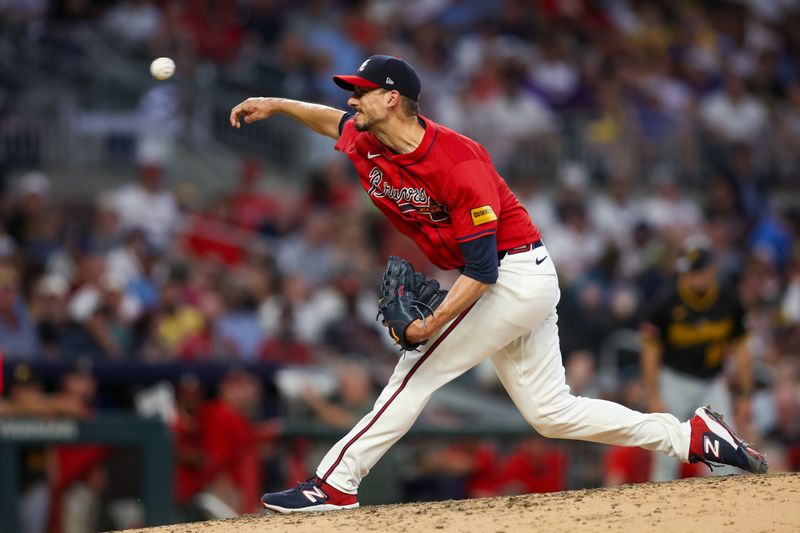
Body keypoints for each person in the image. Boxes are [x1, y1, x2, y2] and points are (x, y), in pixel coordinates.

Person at [229, 55, 767, 513]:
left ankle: (334, 486)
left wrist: (430, 323)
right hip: (508, 278)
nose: (352, 102)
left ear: (393, 99)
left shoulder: (459, 163)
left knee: (416, 368)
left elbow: (484, 272)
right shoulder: (367, 139)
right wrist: (277, 106)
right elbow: (330, 123)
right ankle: (691, 436)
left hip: (513, 275)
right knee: (551, 413)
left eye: (361, 94)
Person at [640, 235, 755, 480]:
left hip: (712, 383)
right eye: (688, 272)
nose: (689, 277)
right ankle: (658, 514)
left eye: (696, 271)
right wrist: (652, 394)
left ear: (711, 270)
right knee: (665, 450)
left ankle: (729, 510)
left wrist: (746, 394)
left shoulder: (728, 299)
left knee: (726, 449)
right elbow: (650, 349)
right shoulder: (667, 300)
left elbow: (742, 348)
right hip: (674, 381)